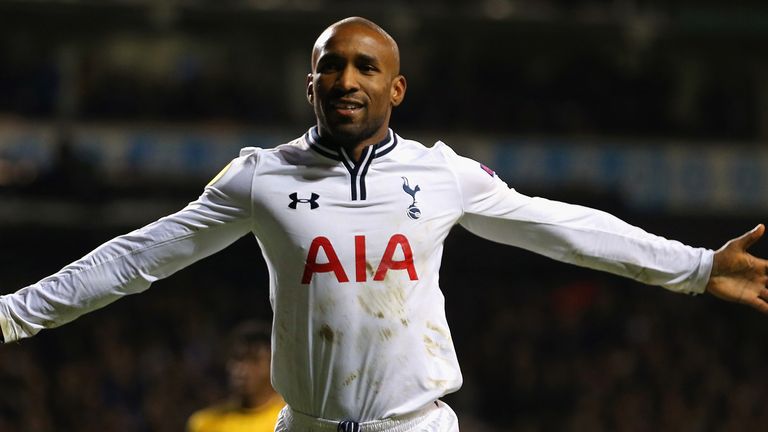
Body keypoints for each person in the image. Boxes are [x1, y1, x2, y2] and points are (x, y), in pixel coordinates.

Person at [1, 16, 767, 432]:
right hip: (304, 424)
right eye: (331, 65)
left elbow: (559, 226)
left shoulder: (443, 174)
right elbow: (138, 258)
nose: (346, 79)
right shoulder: (258, 177)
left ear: (396, 87)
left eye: (366, 67)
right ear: (310, 83)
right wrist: (10, 316)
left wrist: (697, 267)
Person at [187, 321, 285, 432]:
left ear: (273, 366)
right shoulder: (205, 423)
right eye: (237, 359)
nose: (241, 370)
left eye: (253, 360)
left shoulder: (288, 421)